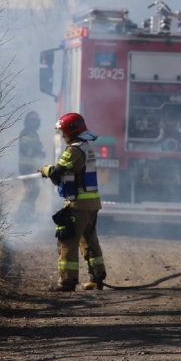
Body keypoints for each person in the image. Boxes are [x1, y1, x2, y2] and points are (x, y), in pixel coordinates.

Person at [39, 112, 107, 292]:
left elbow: (57, 172)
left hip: (78, 205)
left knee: (67, 241)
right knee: (89, 241)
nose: (62, 136)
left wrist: (46, 170)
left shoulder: (74, 149)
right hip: (92, 203)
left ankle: (67, 282)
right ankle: (97, 278)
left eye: (63, 132)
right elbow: (72, 175)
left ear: (72, 131)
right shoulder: (85, 146)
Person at [18, 111, 45, 214]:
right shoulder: (25, 132)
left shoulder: (33, 133)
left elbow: (36, 150)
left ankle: (28, 213)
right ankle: (23, 214)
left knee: (34, 191)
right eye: (32, 121)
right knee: (30, 190)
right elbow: (27, 149)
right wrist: (38, 150)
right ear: (28, 122)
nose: (34, 123)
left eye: (36, 121)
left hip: (32, 167)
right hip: (26, 168)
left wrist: (40, 153)